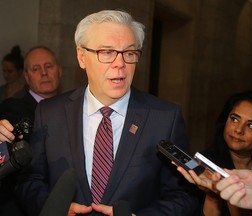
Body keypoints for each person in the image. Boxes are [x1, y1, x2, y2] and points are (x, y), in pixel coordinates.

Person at [16, 10, 198, 216]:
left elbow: (183, 194)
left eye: (129, 53)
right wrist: (54, 208)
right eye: (107, 52)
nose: (120, 63)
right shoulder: (49, 113)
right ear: (81, 57)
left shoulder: (165, 117)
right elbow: (30, 181)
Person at [179, 90, 252, 215]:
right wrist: (212, 196)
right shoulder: (203, 165)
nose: (239, 130)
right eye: (235, 119)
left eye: (251, 126)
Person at [0, 45, 63, 216]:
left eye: (48, 66)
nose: (44, 73)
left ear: (59, 71)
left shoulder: (75, 109)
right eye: (36, 69)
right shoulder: (11, 109)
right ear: (27, 77)